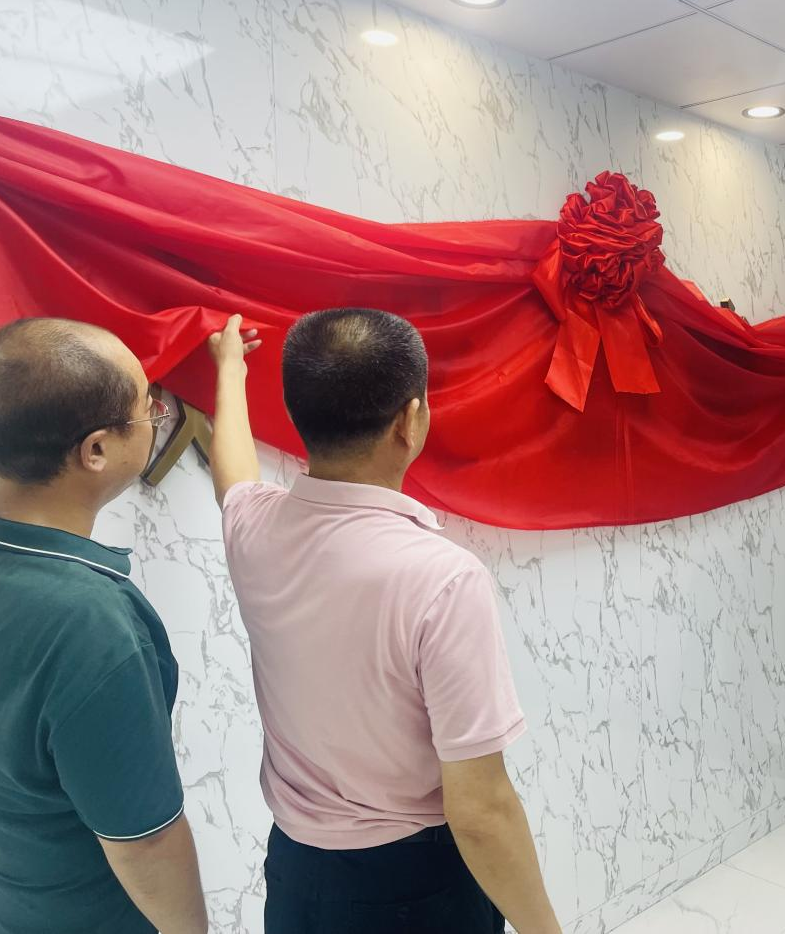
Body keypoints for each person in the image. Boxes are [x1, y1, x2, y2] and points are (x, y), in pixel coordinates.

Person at [207, 308, 562, 933]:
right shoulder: (442, 578)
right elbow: (481, 809)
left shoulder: (253, 529)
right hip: (414, 889)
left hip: (296, 876)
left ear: (294, 410)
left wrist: (230, 370)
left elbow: (232, 474)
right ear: (410, 420)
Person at [0, 162, 209, 932]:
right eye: (146, 408)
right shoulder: (92, 628)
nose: (157, 413)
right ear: (95, 450)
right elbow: (147, 843)